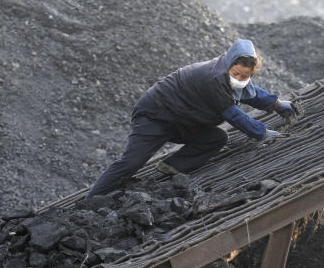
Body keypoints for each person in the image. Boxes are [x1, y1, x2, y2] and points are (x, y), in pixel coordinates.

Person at [86, 39, 300, 198]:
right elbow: (233, 114)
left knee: (216, 138)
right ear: (228, 65)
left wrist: (276, 103)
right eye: (237, 74)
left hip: (184, 119)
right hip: (157, 114)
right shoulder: (214, 78)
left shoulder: (234, 77)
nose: (240, 79)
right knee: (132, 162)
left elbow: (250, 93)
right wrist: (261, 132)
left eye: (246, 76)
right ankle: (92, 198)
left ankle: (172, 167)